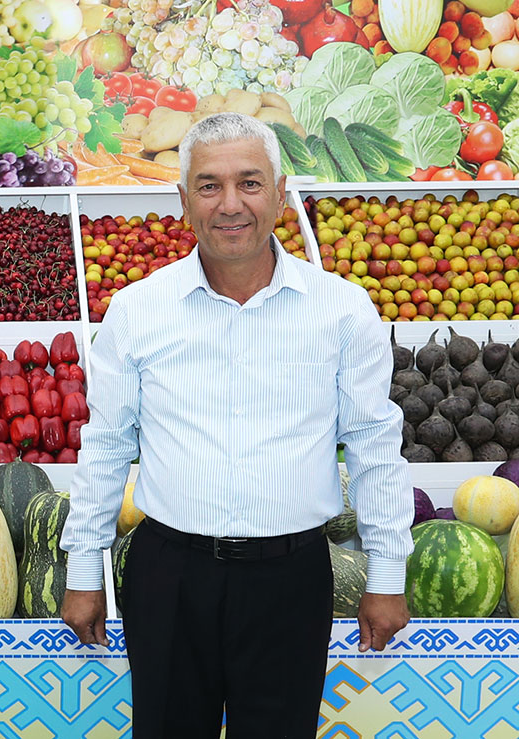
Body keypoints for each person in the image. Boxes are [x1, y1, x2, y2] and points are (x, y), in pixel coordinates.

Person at [60, 112, 413, 738]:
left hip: (291, 577)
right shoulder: (139, 310)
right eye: (209, 184)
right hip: (170, 576)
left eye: (250, 183)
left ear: (280, 193)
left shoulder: (340, 310)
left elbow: (372, 446)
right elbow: (106, 443)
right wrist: (84, 568)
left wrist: (386, 574)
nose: (231, 204)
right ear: (183, 199)